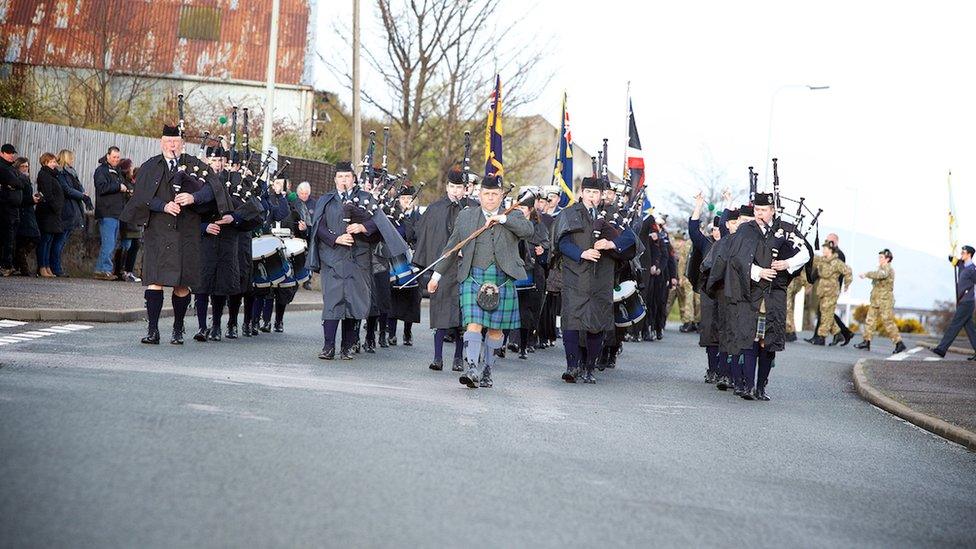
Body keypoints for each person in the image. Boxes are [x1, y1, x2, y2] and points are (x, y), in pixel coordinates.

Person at [120, 124, 230, 345]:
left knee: (182, 284)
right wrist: (163, 206)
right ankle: (153, 331)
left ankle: (178, 330)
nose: (173, 146)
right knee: (155, 281)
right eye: (169, 142)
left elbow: (214, 188)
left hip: (186, 232)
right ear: (162, 142)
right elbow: (141, 195)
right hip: (158, 231)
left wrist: (194, 198)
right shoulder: (151, 166)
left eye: (176, 142)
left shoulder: (193, 165)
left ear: (182, 144)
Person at [428, 175, 534, 388]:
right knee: (473, 324)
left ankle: (487, 369)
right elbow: (451, 248)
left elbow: (528, 232)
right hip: (474, 277)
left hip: (503, 279)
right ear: (479, 194)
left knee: (496, 330)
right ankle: (472, 367)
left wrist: (503, 220)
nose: (491, 198)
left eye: (495, 194)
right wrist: (436, 276)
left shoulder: (514, 216)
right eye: (486, 194)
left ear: (502, 195)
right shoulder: (466, 217)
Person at [707, 193, 810, 401]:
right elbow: (736, 258)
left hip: (775, 294)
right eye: (756, 210)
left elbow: (805, 252)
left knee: (768, 341)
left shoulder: (785, 229)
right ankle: (749, 386)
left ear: (772, 210)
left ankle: (762, 386)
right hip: (751, 293)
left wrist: (787, 264)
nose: (759, 214)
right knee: (750, 338)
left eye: (763, 210)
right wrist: (757, 272)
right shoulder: (746, 230)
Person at [308, 161, 408, 360]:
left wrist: (363, 228)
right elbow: (318, 226)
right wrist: (335, 238)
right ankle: (328, 346)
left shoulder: (365, 199)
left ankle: (348, 346)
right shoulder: (326, 200)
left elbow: (379, 222)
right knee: (332, 302)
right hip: (333, 258)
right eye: (340, 177)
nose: (344, 180)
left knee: (354, 303)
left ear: (354, 178)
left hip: (359, 258)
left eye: (347, 177)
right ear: (335, 179)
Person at [554, 176, 637, 383]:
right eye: (588, 192)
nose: (592, 196)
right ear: (581, 193)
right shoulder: (569, 213)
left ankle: (589, 367)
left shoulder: (611, 217)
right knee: (572, 320)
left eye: (596, 193)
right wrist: (581, 253)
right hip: (575, 276)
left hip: (601, 278)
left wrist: (611, 244)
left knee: (596, 323)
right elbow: (562, 242)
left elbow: (630, 239)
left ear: (601, 196)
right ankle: (572, 366)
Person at [413, 168, 470, 371]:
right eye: (452, 186)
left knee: (463, 315)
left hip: (466, 269)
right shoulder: (435, 209)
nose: (456, 191)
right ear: (447, 187)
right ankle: (437, 357)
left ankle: (458, 357)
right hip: (442, 269)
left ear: (466, 189)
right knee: (441, 313)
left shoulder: (473, 209)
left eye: (460, 187)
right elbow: (424, 235)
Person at [387, 185, 422, 346]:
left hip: (413, 261)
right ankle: (392, 333)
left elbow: (416, 235)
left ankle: (407, 332)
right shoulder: (393, 216)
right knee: (394, 295)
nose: (406, 201)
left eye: (409, 198)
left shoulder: (417, 217)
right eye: (403, 198)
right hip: (396, 260)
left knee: (412, 298)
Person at [854, 248, 908, 354]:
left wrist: (866, 274)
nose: (879, 259)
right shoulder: (881, 268)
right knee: (870, 320)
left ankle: (899, 343)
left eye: (882, 257)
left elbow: (881, 275)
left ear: (888, 259)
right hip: (876, 299)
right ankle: (866, 341)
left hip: (885, 300)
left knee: (887, 322)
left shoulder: (887, 269)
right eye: (879, 257)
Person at [55, 149, 92, 277]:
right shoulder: (61, 173)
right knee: (59, 241)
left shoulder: (72, 173)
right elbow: (67, 190)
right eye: (70, 158)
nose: (72, 160)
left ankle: (56, 267)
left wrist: (82, 193)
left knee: (63, 241)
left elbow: (77, 188)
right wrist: (82, 195)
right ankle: (55, 268)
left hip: (73, 209)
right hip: (66, 209)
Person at [807, 241, 852, 345]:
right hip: (822, 291)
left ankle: (822, 336)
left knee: (826, 314)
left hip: (831, 292)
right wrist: (810, 284)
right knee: (825, 313)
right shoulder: (822, 261)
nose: (823, 250)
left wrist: (846, 284)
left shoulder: (836, 262)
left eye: (825, 249)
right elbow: (815, 274)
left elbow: (848, 271)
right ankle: (838, 333)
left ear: (830, 250)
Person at [93, 146, 126, 280]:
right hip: (106, 212)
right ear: (107, 156)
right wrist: (118, 187)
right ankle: (103, 269)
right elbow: (101, 188)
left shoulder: (117, 171)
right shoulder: (101, 171)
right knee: (108, 243)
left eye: (118, 157)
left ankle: (102, 269)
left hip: (116, 212)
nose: (116, 160)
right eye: (114, 157)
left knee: (111, 243)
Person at [34, 153, 65, 278]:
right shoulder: (44, 174)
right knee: (45, 240)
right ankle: (42, 267)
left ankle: (47, 267)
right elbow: (47, 194)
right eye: (52, 162)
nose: (55, 164)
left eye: (55, 162)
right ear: (45, 162)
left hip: (53, 213)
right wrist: (55, 207)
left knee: (49, 240)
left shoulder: (53, 175)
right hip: (47, 213)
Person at [115, 159, 143, 282]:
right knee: (127, 245)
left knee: (133, 245)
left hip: (134, 220)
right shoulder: (126, 183)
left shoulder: (132, 184)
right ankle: (122, 271)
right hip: (128, 220)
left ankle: (125, 271)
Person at [1, 143, 26, 276]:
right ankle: (5, 265)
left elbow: (20, 183)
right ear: (2, 153)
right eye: (9, 153)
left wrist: (15, 184)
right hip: (6, 206)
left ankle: (8, 264)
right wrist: (14, 183)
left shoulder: (11, 168)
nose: (12, 155)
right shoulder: (3, 167)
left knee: (11, 238)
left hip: (14, 207)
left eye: (13, 153)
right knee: (7, 238)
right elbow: (17, 182)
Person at [12, 157, 40, 277]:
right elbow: (18, 197)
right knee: (27, 238)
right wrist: (31, 199)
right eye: (22, 166)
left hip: (28, 211)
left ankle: (19, 265)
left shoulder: (26, 178)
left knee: (33, 238)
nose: (25, 168)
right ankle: (22, 268)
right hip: (21, 211)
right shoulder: (18, 178)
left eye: (27, 166)